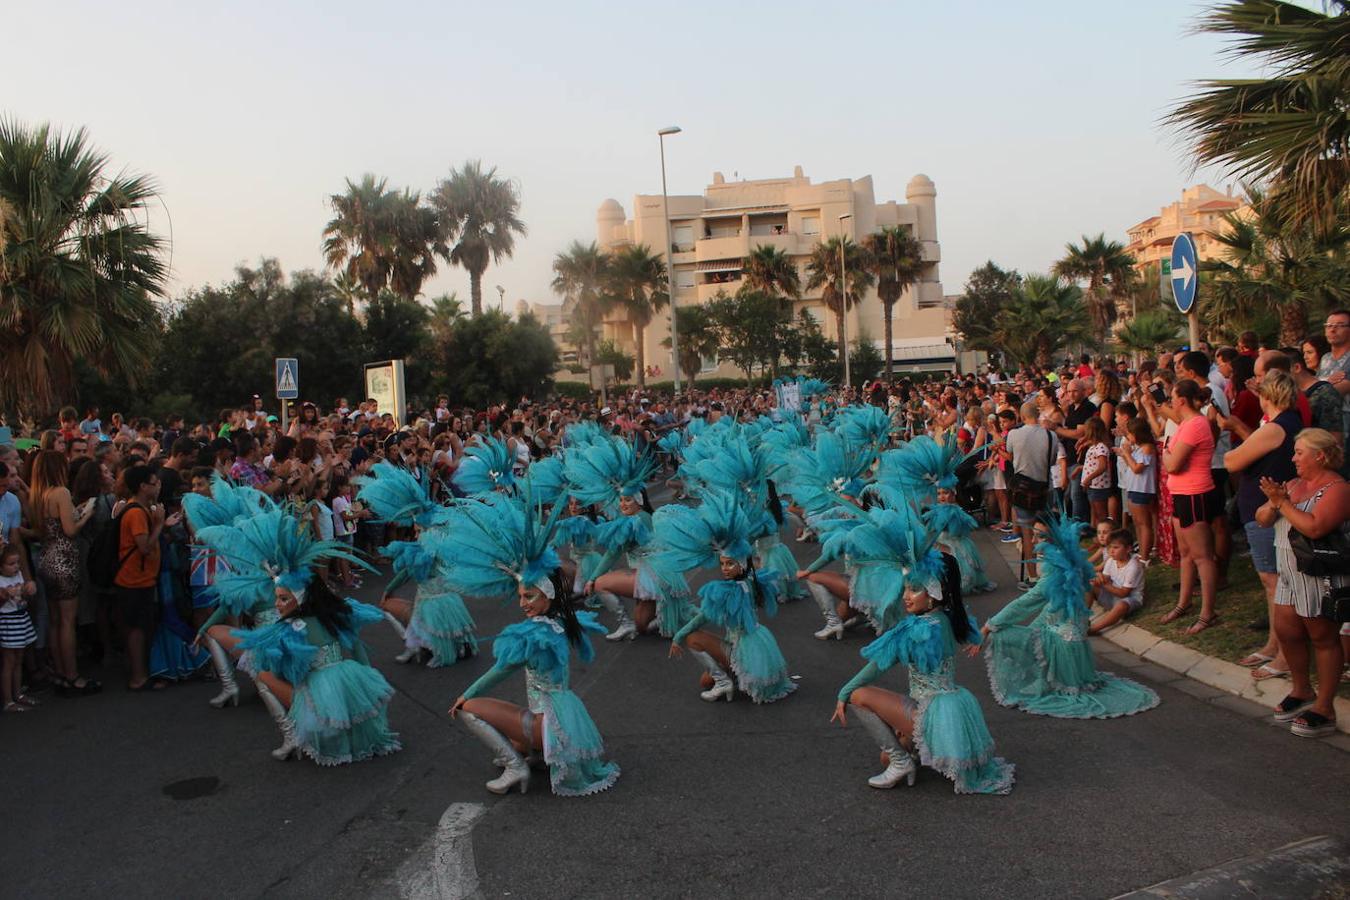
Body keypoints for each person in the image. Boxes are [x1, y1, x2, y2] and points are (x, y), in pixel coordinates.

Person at [444, 496, 620, 797]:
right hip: (563, 718)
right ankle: (536, 754)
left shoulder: (535, 634)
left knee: (468, 710)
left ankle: (517, 767)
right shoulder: (562, 620)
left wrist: (466, 694)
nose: (523, 603)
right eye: (521, 597)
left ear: (548, 596)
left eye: (530, 596)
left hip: (547, 723)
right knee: (510, 742)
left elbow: (501, 670)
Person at [833, 526, 1013, 795]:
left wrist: (843, 692)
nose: (906, 596)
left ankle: (902, 761)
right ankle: (908, 752)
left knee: (859, 695)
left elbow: (878, 665)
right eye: (905, 588)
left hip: (931, 712)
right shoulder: (951, 618)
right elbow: (973, 638)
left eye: (914, 590)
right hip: (950, 707)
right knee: (887, 750)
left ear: (934, 593)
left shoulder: (920, 628)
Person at [982, 513, 1159, 718]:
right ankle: (1051, 672)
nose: (1032, 541)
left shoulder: (1056, 567)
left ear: (1053, 539)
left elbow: (1027, 601)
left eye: (1039, 537)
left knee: (999, 634)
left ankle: (1055, 675)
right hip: (1070, 631)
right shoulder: (1068, 557)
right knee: (1034, 629)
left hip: (1064, 639)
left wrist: (989, 625)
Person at [659, 492, 796, 704]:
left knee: (693, 638)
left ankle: (724, 683)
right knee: (705, 681)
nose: (724, 568)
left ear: (740, 563)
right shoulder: (753, 579)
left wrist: (679, 635)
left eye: (729, 563)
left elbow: (702, 618)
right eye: (722, 563)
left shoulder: (728, 589)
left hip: (742, 647)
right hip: (759, 642)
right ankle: (727, 679)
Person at [1254, 428, 1347, 739]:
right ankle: (1301, 689)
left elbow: (1316, 527)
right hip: (1290, 575)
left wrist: (1283, 504)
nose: (1293, 459)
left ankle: (1325, 707)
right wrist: (1273, 502)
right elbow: (1263, 518)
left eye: (1299, 453)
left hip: (1319, 575)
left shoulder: (1337, 489)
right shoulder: (1293, 485)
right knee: (1288, 632)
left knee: (1323, 638)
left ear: (1320, 456)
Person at [1223, 370, 1301, 679]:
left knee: (1277, 585)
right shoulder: (1284, 423)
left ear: (1269, 396)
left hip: (1266, 513)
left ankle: (1284, 655)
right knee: (1271, 584)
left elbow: (1232, 460)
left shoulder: (1278, 427)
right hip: (1258, 509)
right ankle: (1273, 644)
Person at [28, 450, 100, 695]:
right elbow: (70, 530)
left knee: (56, 621)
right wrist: (86, 514)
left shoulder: (37, 495)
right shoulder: (60, 492)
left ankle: (60, 672)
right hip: (64, 559)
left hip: (47, 558)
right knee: (68, 621)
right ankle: (72, 675)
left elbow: (46, 528)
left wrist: (74, 512)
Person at [1158, 380, 1221, 635]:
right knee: (1185, 552)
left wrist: (1164, 449)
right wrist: (1167, 451)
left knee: (1202, 556)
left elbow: (1173, 463)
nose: (1170, 401)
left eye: (1172, 396)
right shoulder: (1186, 423)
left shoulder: (1196, 424)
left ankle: (1208, 612)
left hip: (1195, 493)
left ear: (1181, 399)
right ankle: (1184, 603)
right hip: (1181, 493)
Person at [116, 465, 180, 691]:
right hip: (134, 579)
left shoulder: (141, 509)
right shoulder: (135, 512)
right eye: (154, 483)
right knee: (136, 628)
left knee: (141, 626)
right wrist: (160, 524)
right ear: (143, 486)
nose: (157, 486)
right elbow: (144, 547)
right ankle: (138, 676)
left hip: (141, 578)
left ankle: (140, 671)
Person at [1004, 402, 1056, 588]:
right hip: (1044, 487)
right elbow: (1052, 460)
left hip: (1023, 489)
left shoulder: (1014, 434)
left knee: (1027, 533)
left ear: (1021, 416)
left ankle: (1033, 577)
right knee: (1046, 531)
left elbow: (1011, 455)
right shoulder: (1051, 435)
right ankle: (1051, 572)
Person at [0, 545, 39, 713]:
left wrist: (29, 589)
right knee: (9, 662)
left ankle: (18, 693)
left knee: (19, 659)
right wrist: (6, 593)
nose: (16, 566)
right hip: (8, 622)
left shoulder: (19, 575)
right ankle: (8, 700)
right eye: (11, 563)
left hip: (21, 617)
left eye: (17, 562)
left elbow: (25, 595)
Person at [1088, 529, 1145, 635]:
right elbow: (1105, 578)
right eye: (1109, 547)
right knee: (1089, 585)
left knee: (1121, 606)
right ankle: (1082, 619)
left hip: (1128, 600)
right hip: (1112, 596)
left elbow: (1124, 593)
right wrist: (1098, 578)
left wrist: (1104, 583)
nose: (1111, 551)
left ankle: (1093, 629)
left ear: (1128, 549)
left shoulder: (1134, 566)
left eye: (1115, 547)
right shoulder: (1111, 561)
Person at [1116, 417, 1157, 562]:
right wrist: (1123, 453)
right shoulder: (1139, 448)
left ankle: (1145, 556)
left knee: (1144, 524)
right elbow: (1131, 465)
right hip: (1133, 487)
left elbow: (1137, 468)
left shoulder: (1147, 448)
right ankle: (1141, 551)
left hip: (1143, 489)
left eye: (1129, 434)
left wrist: (1126, 453)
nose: (1128, 437)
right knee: (1137, 523)